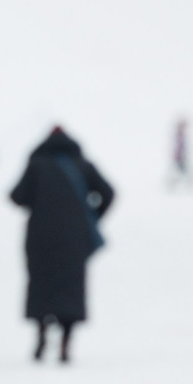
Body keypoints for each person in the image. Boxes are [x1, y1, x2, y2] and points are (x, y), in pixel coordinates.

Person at [10, 126, 115, 362]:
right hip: (75, 239)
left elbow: (16, 197)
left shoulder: (36, 166)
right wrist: (93, 216)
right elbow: (109, 193)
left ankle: (41, 335)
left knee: (41, 285)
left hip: (40, 237)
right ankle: (66, 345)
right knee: (71, 288)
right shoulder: (84, 166)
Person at [168, 116, 193, 188]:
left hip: (180, 157)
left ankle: (173, 183)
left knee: (182, 172)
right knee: (183, 172)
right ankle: (173, 184)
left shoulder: (180, 135)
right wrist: (179, 155)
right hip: (179, 158)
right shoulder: (179, 135)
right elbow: (179, 147)